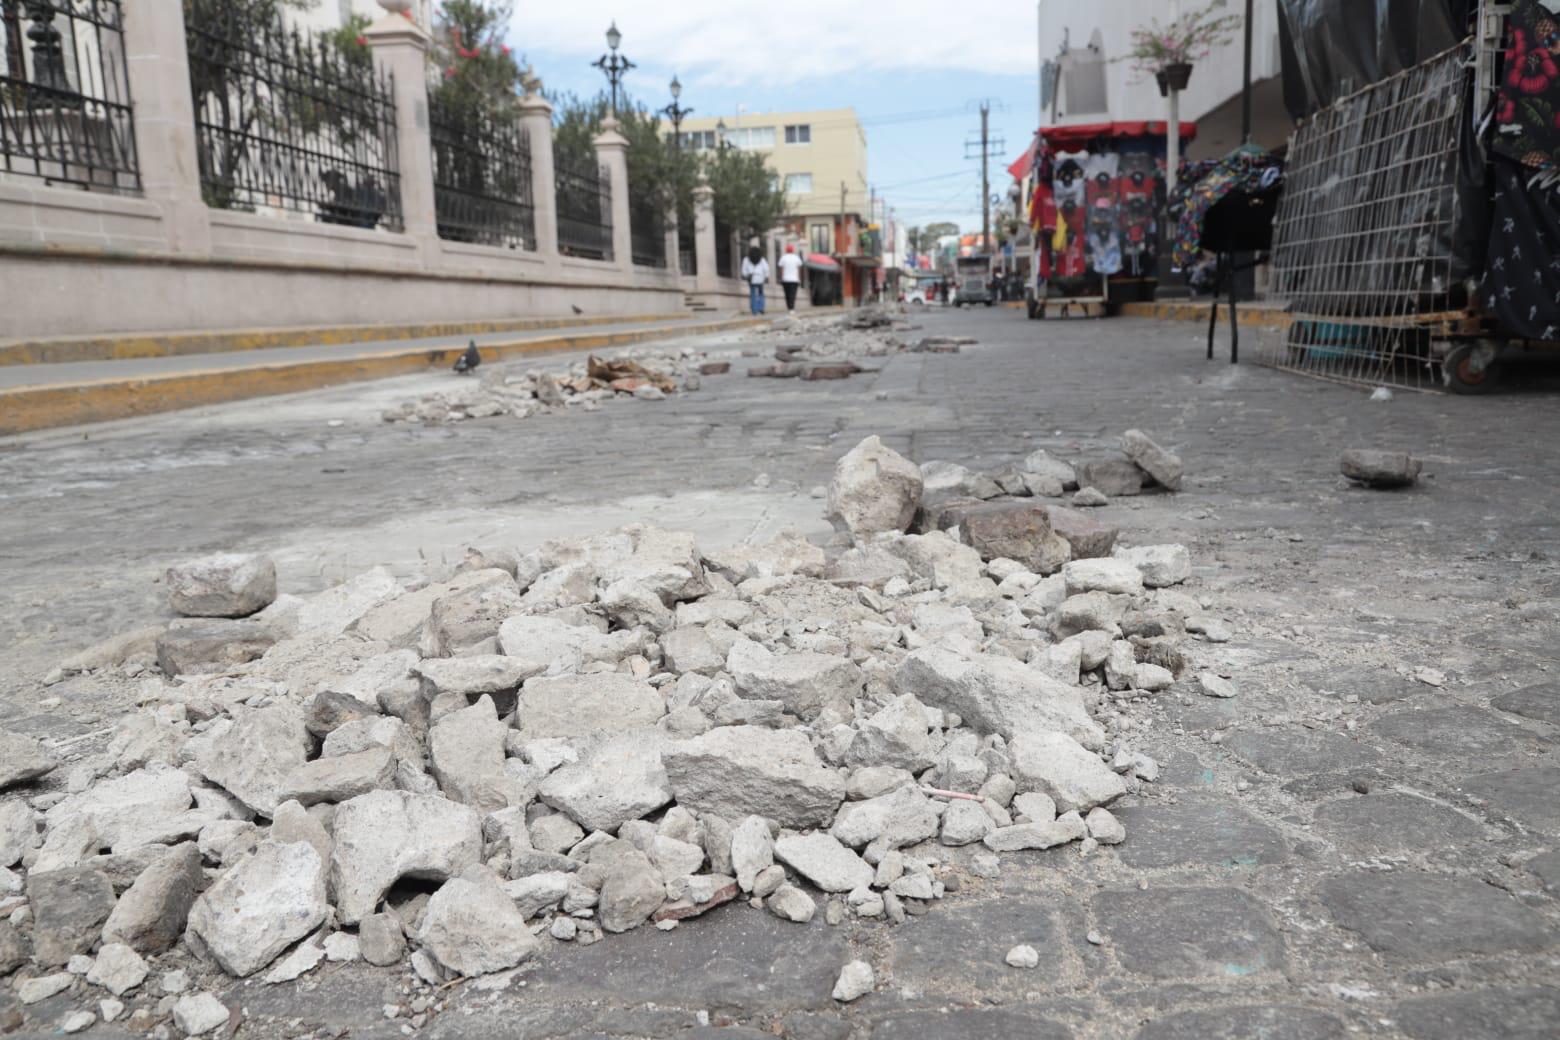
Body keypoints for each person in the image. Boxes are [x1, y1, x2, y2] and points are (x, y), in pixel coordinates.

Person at [740, 245, 770, 315]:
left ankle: (754, 309)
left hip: (752, 277)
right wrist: (766, 276)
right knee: (761, 293)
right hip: (760, 278)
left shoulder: (746, 259)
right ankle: (761, 307)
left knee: (753, 293)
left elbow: (744, 270)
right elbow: (766, 269)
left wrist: (745, 275)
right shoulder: (762, 259)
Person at [778, 244, 803, 313]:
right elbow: (798, 269)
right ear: (793, 250)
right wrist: (798, 278)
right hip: (794, 279)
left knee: (787, 294)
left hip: (785, 279)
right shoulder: (796, 258)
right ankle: (791, 308)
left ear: (786, 250)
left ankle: (789, 306)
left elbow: (781, 269)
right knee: (793, 294)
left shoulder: (783, 257)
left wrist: (781, 277)